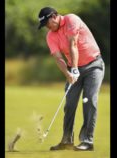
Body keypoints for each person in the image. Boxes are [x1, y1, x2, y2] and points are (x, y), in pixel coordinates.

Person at [37, 7, 105, 151]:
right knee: (70, 104)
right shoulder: (50, 36)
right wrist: (69, 74)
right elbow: (58, 58)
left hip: (93, 66)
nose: (47, 27)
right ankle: (67, 140)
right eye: (44, 26)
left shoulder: (71, 19)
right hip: (73, 69)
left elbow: (72, 43)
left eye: (47, 23)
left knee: (90, 101)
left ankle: (87, 141)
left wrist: (74, 68)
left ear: (54, 16)